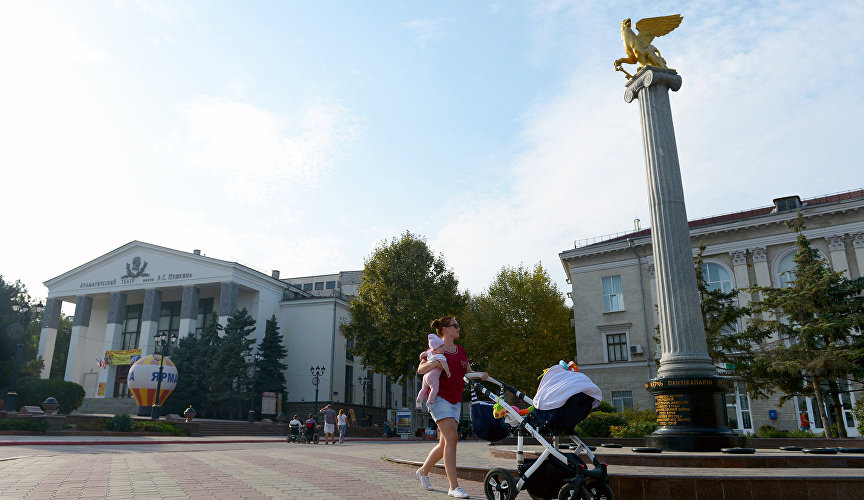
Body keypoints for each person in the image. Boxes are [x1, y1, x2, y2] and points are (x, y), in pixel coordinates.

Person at [415, 316, 487, 499]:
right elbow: (420, 370)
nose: (459, 328)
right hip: (438, 399)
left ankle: (423, 471)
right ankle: (453, 486)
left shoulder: (461, 350)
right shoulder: (435, 349)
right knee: (452, 438)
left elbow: (468, 373)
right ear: (445, 330)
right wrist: (436, 362)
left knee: (445, 443)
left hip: (455, 401)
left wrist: (481, 374)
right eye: (455, 326)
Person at [416, 333, 451, 409]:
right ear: (435, 349)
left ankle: (419, 400)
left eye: (443, 345)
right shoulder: (440, 356)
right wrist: (448, 372)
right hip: (433, 376)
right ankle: (430, 402)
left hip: (425, 376)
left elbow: (423, 354)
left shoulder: (429, 352)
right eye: (441, 346)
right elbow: (444, 365)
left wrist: (421, 357)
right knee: (435, 389)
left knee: (424, 389)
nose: (443, 348)